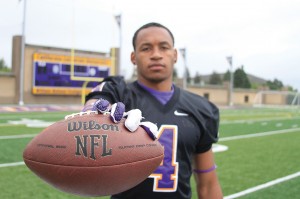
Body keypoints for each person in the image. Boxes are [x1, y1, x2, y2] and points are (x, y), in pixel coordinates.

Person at [83, 22, 223, 199]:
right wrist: (94, 112)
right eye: (146, 48)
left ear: (175, 55)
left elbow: (207, 183)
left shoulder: (202, 109)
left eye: (164, 47)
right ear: (133, 57)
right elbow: (98, 101)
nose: (156, 55)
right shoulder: (119, 94)